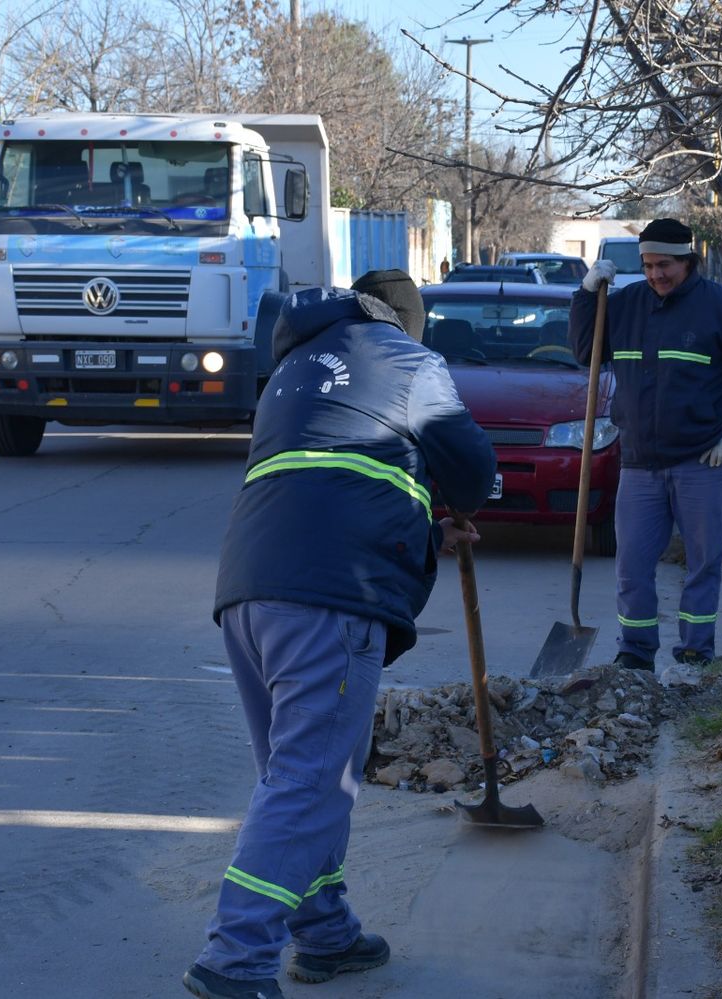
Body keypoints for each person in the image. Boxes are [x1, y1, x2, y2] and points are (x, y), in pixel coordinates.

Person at [184, 269, 495, 999]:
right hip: (332, 594)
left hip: (249, 590)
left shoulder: (295, 366)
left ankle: (324, 929)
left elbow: (331, 472)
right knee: (312, 779)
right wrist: (455, 501)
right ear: (405, 322)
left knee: (297, 775)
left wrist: (422, 523)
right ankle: (236, 958)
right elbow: (474, 471)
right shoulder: (412, 362)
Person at [569, 218, 722, 671]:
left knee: (702, 565)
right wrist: (587, 295)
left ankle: (693, 654)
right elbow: (586, 353)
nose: (655, 275)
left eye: (664, 265)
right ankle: (635, 654)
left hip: (701, 461)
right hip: (640, 465)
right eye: (647, 265)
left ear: (688, 261)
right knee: (631, 569)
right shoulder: (623, 306)